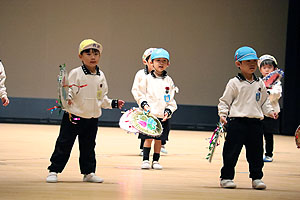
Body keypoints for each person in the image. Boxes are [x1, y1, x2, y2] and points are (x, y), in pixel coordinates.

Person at [46, 39, 124, 183]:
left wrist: (113, 103)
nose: (92, 56)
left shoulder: (101, 76)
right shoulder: (76, 73)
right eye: (88, 53)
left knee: (88, 147)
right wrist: (67, 98)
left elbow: (101, 98)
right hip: (73, 117)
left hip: (92, 119)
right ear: (80, 56)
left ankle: (88, 173)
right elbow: (69, 91)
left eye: (95, 53)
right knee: (64, 144)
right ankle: (54, 170)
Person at [218, 46, 277, 190]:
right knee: (231, 152)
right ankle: (226, 177)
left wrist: (270, 112)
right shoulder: (234, 83)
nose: (251, 64)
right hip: (237, 123)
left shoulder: (259, 83)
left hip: (255, 124)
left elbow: (264, 102)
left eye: (254, 61)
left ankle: (257, 178)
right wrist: (223, 114)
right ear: (238, 64)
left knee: (256, 153)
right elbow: (225, 101)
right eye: (247, 61)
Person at [135, 48, 177, 170]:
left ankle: (156, 161)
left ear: (168, 64)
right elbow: (140, 93)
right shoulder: (147, 78)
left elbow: (171, 100)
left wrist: (168, 110)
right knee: (148, 138)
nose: (161, 63)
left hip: (162, 116)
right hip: (150, 115)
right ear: (151, 63)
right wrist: (144, 105)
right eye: (158, 60)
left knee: (159, 140)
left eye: (164, 61)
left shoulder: (169, 81)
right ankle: (146, 160)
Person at [131, 48, 169, 156]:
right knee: (145, 127)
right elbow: (136, 90)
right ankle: (144, 148)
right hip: (146, 106)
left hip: (159, 107)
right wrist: (142, 103)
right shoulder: (141, 75)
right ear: (146, 61)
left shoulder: (163, 77)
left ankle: (161, 144)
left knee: (162, 126)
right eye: (154, 60)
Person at [258, 55, 282, 162]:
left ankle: (268, 154)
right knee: (257, 135)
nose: (267, 70)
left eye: (269, 67)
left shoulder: (276, 83)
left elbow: (277, 94)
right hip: (259, 113)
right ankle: (257, 154)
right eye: (264, 68)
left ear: (275, 69)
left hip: (271, 113)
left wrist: (268, 92)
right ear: (260, 69)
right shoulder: (258, 81)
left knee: (268, 135)